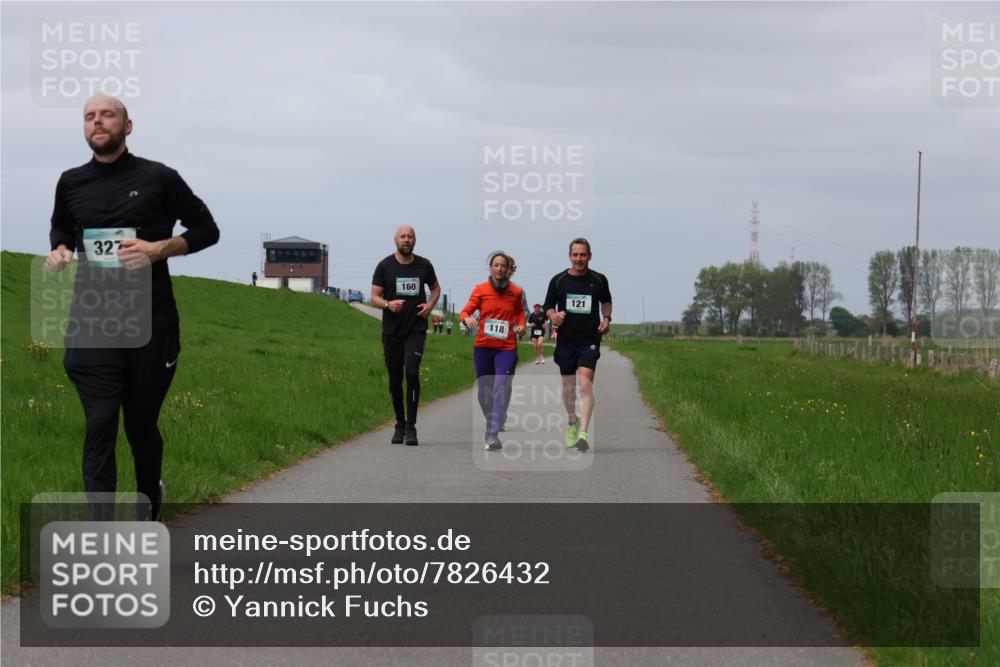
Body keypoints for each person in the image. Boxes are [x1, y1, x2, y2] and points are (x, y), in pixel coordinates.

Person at [46, 93, 220, 521]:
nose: (97, 122)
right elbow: (61, 227)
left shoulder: (160, 178)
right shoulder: (70, 182)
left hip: (151, 323)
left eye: (107, 115)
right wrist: (61, 249)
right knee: (100, 422)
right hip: (92, 322)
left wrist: (161, 248)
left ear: (128, 126)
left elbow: (207, 229)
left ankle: (148, 497)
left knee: (139, 427)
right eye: (89, 116)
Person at [371, 225, 440, 446]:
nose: (406, 240)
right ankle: (399, 424)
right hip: (392, 331)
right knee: (394, 379)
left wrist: (430, 305)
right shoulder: (384, 266)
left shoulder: (424, 265)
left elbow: (436, 288)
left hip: (415, 329)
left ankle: (411, 427)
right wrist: (388, 304)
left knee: (411, 372)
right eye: (403, 236)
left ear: (415, 241)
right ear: (395, 240)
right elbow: (374, 296)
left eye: (410, 237)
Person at [543, 238, 612, 452]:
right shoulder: (558, 280)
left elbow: (606, 301)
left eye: (583, 255)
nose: (579, 259)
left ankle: (583, 433)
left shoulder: (599, 280)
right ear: (569, 256)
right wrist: (554, 316)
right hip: (566, 341)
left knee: (585, 385)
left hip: (589, 340)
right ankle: (572, 422)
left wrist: (606, 318)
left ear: (590, 256)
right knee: (569, 390)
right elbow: (548, 305)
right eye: (575, 255)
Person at [459, 251, 526, 450]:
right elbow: (464, 311)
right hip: (483, 347)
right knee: (483, 393)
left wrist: (521, 325)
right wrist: (466, 318)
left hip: (506, 348)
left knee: (500, 387)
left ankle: (492, 434)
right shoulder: (480, 290)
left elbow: (520, 313)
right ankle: (492, 420)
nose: (499, 269)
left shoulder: (516, 291)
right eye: (495, 265)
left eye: (503, 266)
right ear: (490, 268)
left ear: (508, 269)